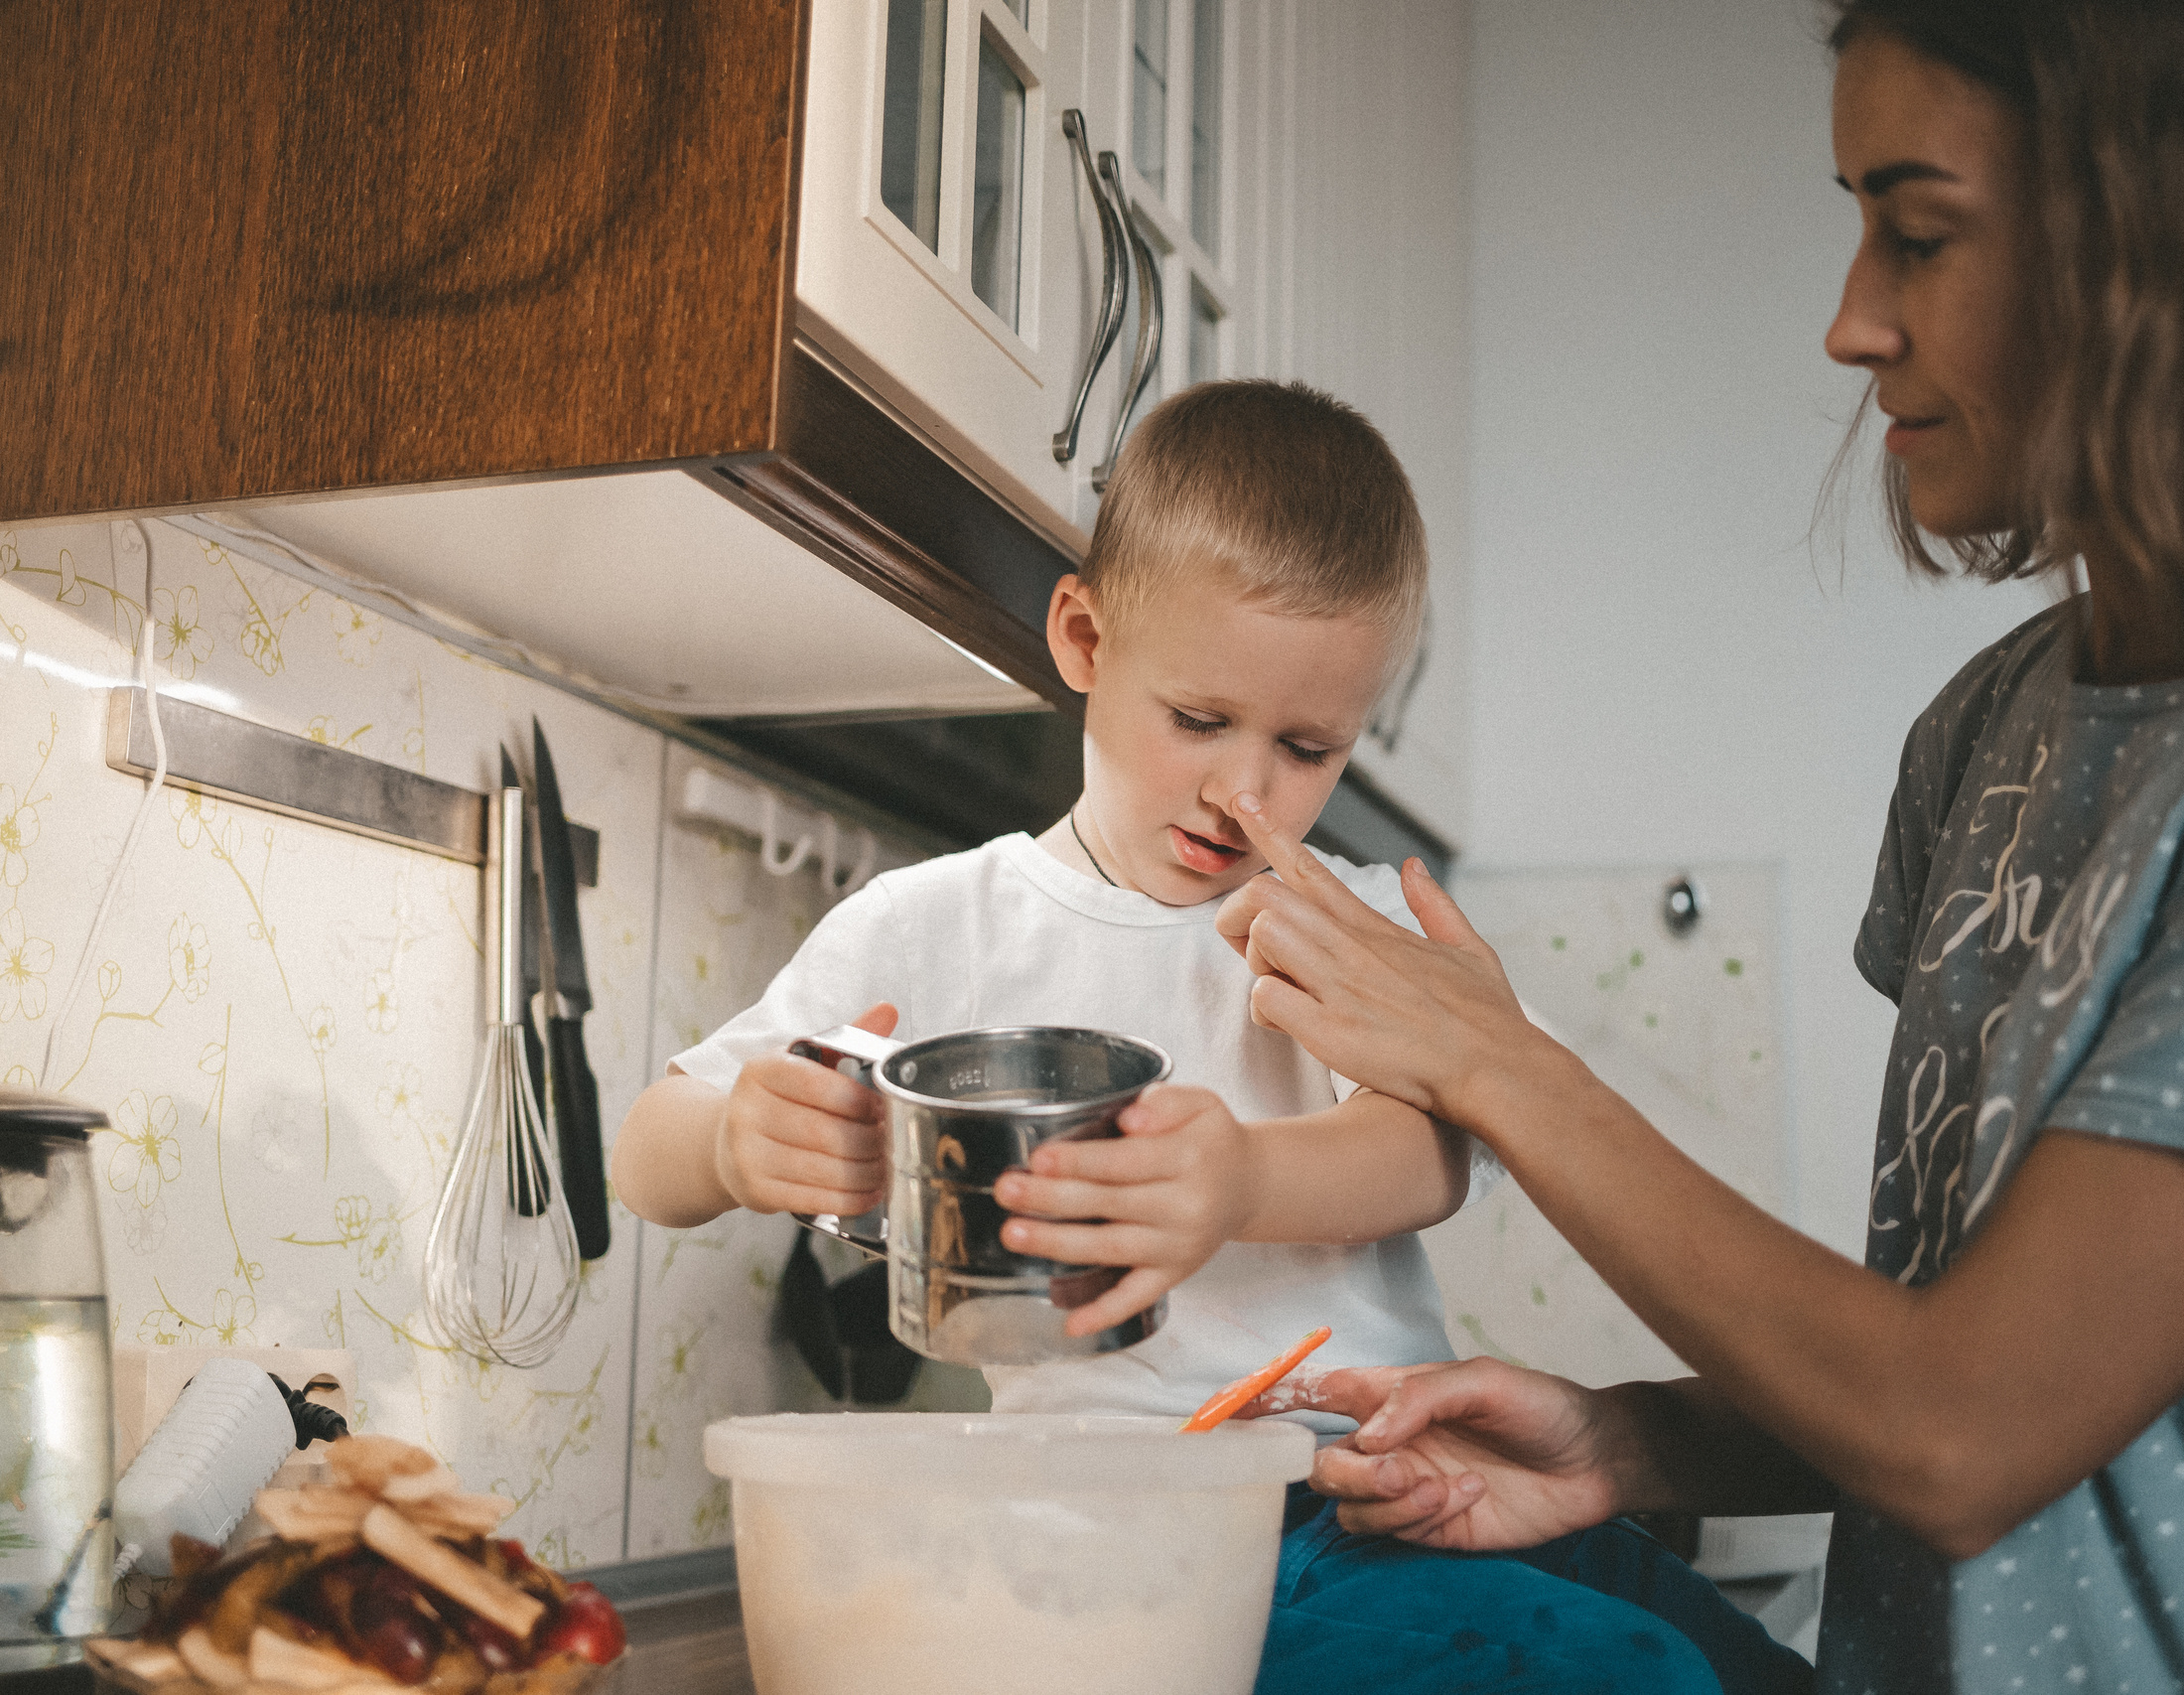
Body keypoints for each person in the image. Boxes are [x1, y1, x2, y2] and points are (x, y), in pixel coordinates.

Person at [1207, 1, 2184, 1690]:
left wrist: (1497, 1067)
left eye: (1918, 234)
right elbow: (2002, 1368)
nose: (1850, 322)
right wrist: (1633, 1444)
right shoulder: (1993, 729)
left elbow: (1963, 1428)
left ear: (2178, 249)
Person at [611, 379, 1809, 1694]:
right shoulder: (939, 924)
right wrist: (735, 1137)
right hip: (1153, 1545)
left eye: (1307, 747)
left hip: (1403, 1490)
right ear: (1083, 634)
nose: (1245, 793)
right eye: (1199, 722)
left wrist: (1238, 1180)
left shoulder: (1339, 916)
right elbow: (645, 1158)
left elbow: (1435, 1153)